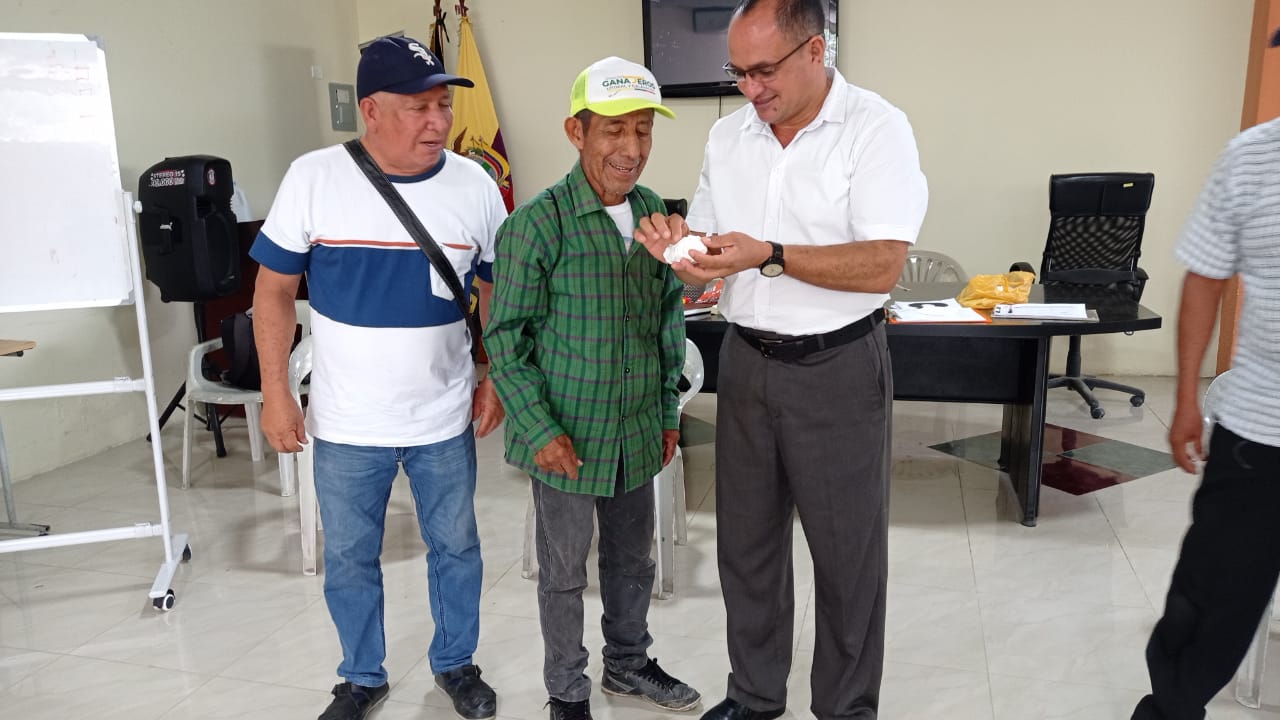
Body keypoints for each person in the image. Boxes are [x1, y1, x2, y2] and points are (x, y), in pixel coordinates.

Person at [634, 1, 928, 718]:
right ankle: (755, 695)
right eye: (738, 72)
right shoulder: (729, 135)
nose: (750, 88)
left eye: (763, 70)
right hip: (747, 362)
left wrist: (771, 254)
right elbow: (712, 254)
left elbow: (882, 264)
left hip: (838, 366)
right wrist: (683, 253)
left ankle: (845, 707)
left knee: (847, 556)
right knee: (747, 547)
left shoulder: (875, 127)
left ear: (815, 51)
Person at [251, 36, 506, 720]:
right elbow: (273, 290)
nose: (438, 122)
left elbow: (497, 293)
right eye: (419, 108)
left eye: (443, 106)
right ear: (370, 110)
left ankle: (456, 663)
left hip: (443, 415)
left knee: (456, 547)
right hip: (346, 421)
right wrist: (276, 391)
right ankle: (361, 676)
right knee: (350, 557)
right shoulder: (314, 178)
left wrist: (497, 376)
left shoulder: (476, 186)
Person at [483, 56, 701, 720]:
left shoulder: (654, 213)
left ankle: (628, 666)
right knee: (564, 572)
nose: (631, 148)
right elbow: (505, 339)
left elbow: (666, 319)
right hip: (567, 438)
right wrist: (539, 430)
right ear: (576, 132)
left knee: (633, 561)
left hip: (636, 430)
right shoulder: (537, 224)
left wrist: (667, 412)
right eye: (614, 130)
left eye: (643, 130)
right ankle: (567, 690)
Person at [1131, 37, 1280, 720]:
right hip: (1259, 427)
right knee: (1209, 599)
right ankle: (1171, 708)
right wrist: (1187, 396)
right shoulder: (1250, 158)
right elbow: (1206, 277)